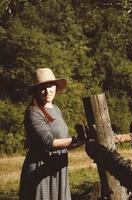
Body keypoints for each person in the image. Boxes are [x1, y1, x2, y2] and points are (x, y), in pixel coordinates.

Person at [19, 68, 85, 200]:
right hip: (40, 170)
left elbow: (63, 142)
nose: (47, 91)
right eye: (42, 87)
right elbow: (48, 142)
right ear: (36, 90)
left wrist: (83, 140)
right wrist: (76, 138)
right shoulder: (33, 112)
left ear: (55, 87)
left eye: (50, 86)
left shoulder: (56, 109)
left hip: (58, 167)